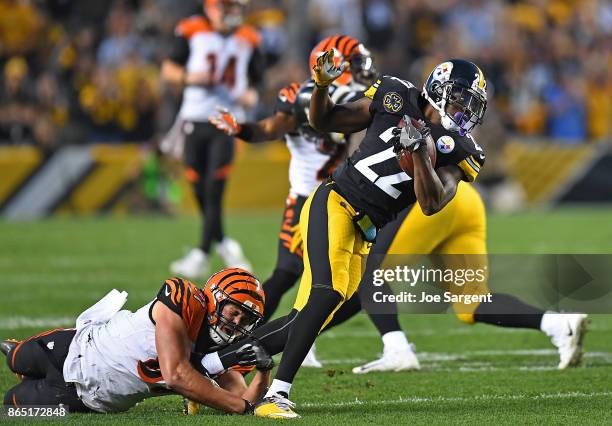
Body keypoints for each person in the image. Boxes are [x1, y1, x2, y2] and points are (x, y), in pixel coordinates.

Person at [195, 58, 490, 418]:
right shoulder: (394, 94)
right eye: (460, 99)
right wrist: (320, 85)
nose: (464, 110)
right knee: (327, 292)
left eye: (471, 104)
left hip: (365, 229)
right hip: (335, 201)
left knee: (305, 318)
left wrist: (420, 155)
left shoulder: (459, 149)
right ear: (438, 89)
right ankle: (276, 395)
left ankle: (206, 367)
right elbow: (326, 120)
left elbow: (431, 203)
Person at [324, 182, 588, 373]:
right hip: (464, 198)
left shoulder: (384, 113)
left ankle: (397, 349)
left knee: (369, 272)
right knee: (470, 302)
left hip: (430, 201)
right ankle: (558, 325)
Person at [1, 268, 273, 414]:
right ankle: (15, 352)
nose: (237, 322)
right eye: (233, 311)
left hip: (89, 399)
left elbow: (240, 398)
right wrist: (240, 406)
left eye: (246, 319)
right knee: (16, 357)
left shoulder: (224, 345)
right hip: (74, 348)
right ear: (215, 298)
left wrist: (263, 372)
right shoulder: (184, 300)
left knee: (11, 405)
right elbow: (176, 374)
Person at [161, 0, 263, 279]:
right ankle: (225, 244)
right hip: (194, 118)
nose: (232, 13)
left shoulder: (248, 37)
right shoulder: (192, 29)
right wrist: (188, 77)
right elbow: (168, 69)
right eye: (227, 6)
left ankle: (202, 252)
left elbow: (257, 80)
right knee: (198, 187)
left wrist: (251, 96)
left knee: (214, 187)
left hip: (226, 121)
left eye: (235, 7)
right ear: (211, 7)